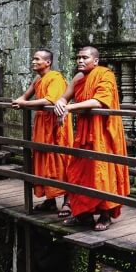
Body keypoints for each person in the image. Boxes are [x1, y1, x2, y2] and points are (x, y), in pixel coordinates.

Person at [53, 46, 129, 231]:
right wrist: (61, 104)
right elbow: (64, 97)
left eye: (85, 58)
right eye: (78, 57)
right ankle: (83, 215)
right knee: (79, 172)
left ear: (95, 61)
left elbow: (99, 101)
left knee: (102, 172)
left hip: (103, 133)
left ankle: (105, 215)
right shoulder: (79, 78)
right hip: (84, 134)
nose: (80, 60)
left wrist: (70, 108)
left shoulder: (105, 75)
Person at [11, 49, 74, 213]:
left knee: (61, 160)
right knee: (43, 159)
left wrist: (24, 104)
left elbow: (49, 100)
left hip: (56, 126)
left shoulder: (56, 78)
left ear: (48, 62)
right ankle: (50, 200)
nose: (33, 62)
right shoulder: (39, 79)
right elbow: (26, 95)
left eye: (37, 59)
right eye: (33, 59)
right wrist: (21, 100)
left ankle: (68, 201)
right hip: (42, 125)